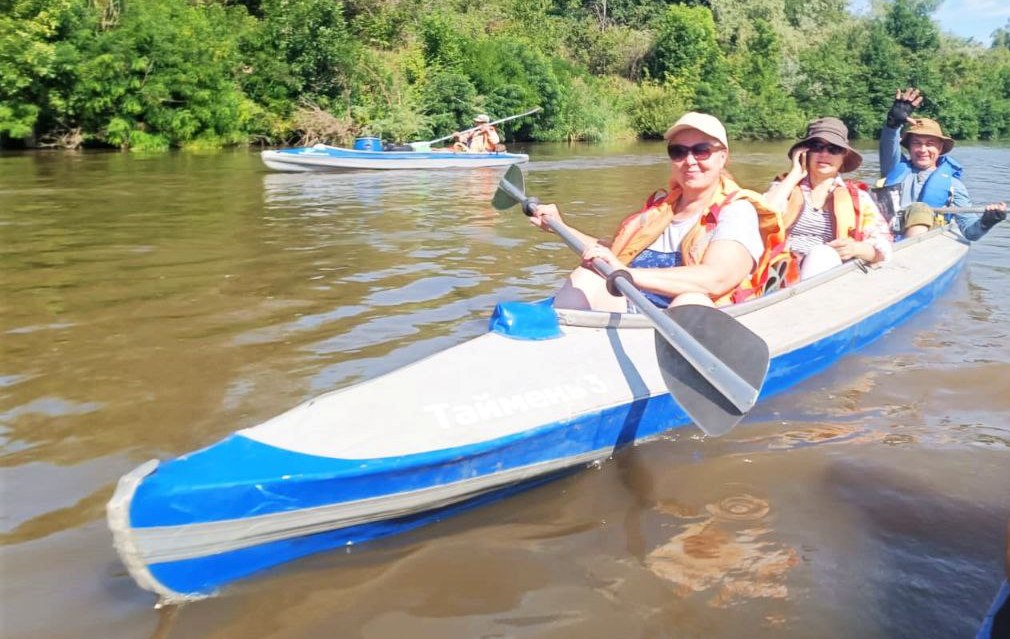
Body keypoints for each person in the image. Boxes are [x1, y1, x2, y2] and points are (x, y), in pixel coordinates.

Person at [528, 112, 785, 312]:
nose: (690, 161)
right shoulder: (662, 208)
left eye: (702, 150)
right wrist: (559, 226)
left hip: (694, 320)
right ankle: (562, 353)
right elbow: (613, 254)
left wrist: (628, 274)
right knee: (587, 276)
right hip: (637, 310)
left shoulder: (737, 211)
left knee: (690, 300)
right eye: (678, 152)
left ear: (722, 157)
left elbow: (715, 279)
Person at [764, 117, 892, 280]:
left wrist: (855, 248)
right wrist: (795, 173)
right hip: (779, 266)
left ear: (843, 156)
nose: (824, 154)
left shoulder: (859, 198)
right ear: (806, 152)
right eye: (817, 146)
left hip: (823, 269)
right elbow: (761, 219)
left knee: (821, 253)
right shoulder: (785, 187)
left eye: (834, 149)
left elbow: (884, 250)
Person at [879, 88, 1006, 240]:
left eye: (930, 144)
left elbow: (971, 232)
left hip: (924, 244)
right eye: (917, 143)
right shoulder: (894, 167)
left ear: (940, 148)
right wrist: (892, 124)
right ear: (909, 147)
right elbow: (887, 145)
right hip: (888, 236)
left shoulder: (953, 185)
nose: (923, 149)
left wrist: (987, 221)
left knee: (919, 209)